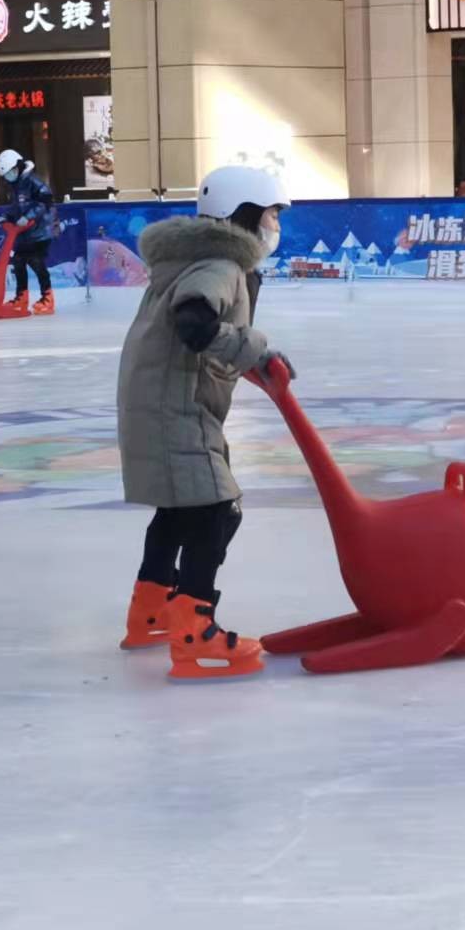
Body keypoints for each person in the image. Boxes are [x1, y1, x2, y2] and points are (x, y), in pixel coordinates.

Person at [115, 166, 294, 680]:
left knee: (178, 510)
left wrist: (245, 355)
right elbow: (194, 319)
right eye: (272, 213)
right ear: (245, 214)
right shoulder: (220, 262)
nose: (275, 223)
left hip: (159, 399)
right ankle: (193, 633)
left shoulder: (192, 258)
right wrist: (252, 349)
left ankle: (150, 613)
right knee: (217, 511)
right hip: (177, 405)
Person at [0, 149, 58, 315]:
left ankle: (48, 297)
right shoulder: (16, 186)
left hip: (41, 232)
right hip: (25, 233)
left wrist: (29, 216)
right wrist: (5, 217)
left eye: (9, 173)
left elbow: (46, 201)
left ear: (17, 167)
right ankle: (21, 297)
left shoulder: (32, 181)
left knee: (36, 262)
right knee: (18, 261)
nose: (7, 178)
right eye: (5, 176)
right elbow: (16, 208)